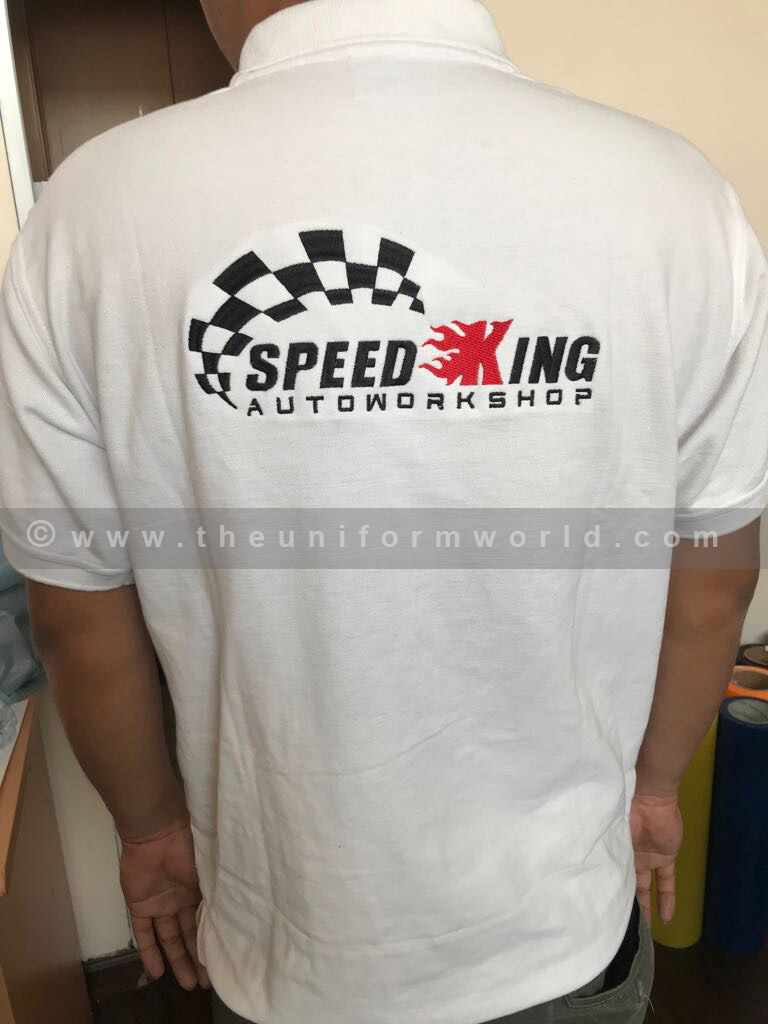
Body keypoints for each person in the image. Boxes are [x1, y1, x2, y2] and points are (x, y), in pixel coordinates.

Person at [0, 0, 766, 1022]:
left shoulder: (88, 210)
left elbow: (73, 612)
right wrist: (659, 786)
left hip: (284, 942)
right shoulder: (676, 194)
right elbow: (716, 578)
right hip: (560, 922)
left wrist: (148, 831)